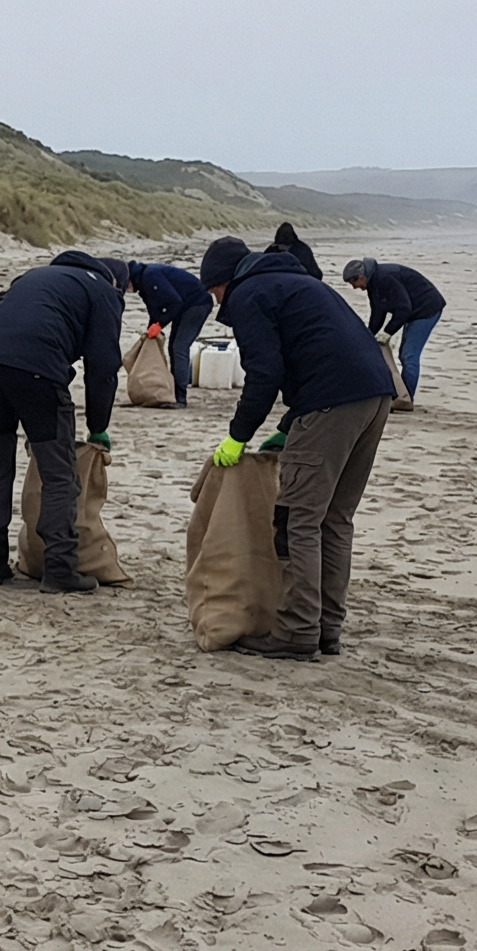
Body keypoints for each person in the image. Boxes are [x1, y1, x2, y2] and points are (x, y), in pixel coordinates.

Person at [203, 235, 396, 660]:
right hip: (377, 394)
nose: (215, 301)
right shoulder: (296, 283)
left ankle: (297, 632)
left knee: (297, 520)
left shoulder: (250, 294)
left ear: (224, 281)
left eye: (213, 290)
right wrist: (289, 426)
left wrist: (239, 435)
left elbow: (265, 373)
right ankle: (327, 629)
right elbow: (316, 353)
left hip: (333, 401)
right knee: (335, 519)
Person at [0, 250, 127, 593]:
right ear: (117, 285)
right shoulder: (102, 291)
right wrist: (98, 425)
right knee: (59, 477)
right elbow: (103, 370)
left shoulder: (35, 278)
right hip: (37, 370)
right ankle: (59, 570)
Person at [342, 257, 447, 407]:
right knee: (404, 355)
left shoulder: (386, 278)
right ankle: (402, 395)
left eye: (354, 284)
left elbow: (404, 309)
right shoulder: (373, 282)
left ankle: (406, 399)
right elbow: (378, 312)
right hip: (413, 310)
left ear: (360, 277)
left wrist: (387, 333)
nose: (355, 288)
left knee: (409, 355)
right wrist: (368, 335)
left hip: (427, 309)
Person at [129, 260, 213, 407]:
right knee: (174, 347)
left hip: (197, 304)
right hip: (186, 305)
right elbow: (157, 309)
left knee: (179, 347)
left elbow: (174, 303)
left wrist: (159, 325)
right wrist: (152, 327)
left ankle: (181, 397)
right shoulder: (144, 281)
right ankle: (174, 393)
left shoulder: (150, 276)